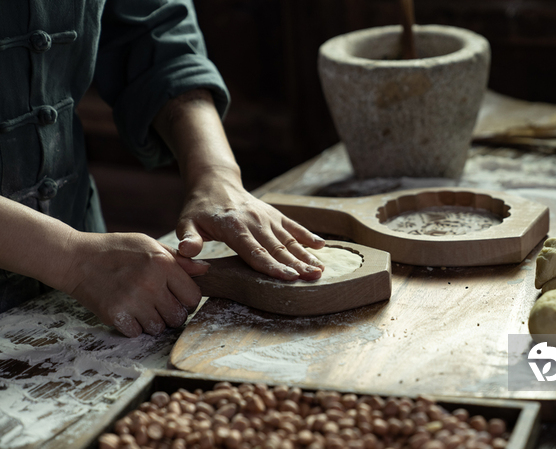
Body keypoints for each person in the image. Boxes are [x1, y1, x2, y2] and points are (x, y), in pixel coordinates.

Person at [0, 0, 325, 337]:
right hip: (85, 260)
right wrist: (71, 258)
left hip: (96, 261)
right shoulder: (80, 261)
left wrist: (216, 173)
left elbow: (154, 33)